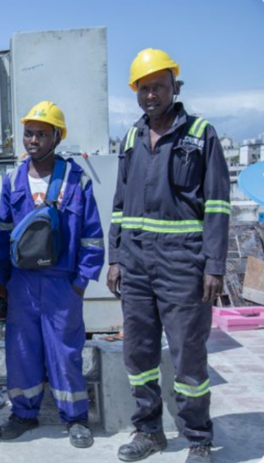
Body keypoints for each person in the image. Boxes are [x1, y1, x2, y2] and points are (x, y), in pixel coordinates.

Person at [107, 49, 229, 463]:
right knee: (138, 353)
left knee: (187, 354)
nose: (150, 95)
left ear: (175, 87)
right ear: (136, 93)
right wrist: (115, 257)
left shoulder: (200, 133)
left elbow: (217, 205)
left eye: (158, 86)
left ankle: (197, 437)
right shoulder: (131, 137)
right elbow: (120, 204)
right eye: (143, 88)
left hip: (184, 263)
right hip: (137, 264)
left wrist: (214, 264)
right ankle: (150, 431)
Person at [0, 101, 104, 448]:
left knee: (65, 351)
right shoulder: (13, 179)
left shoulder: (76, 179)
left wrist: (81, 283)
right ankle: (23, 414)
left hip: (62, 284)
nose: (34, 140)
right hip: (22, 285)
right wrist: (2, 283)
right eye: (29, 133)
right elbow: (3, 234)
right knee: (21, 350)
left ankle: (75, 417)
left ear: (57, 137)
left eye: (42, 133)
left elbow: (91, 235)